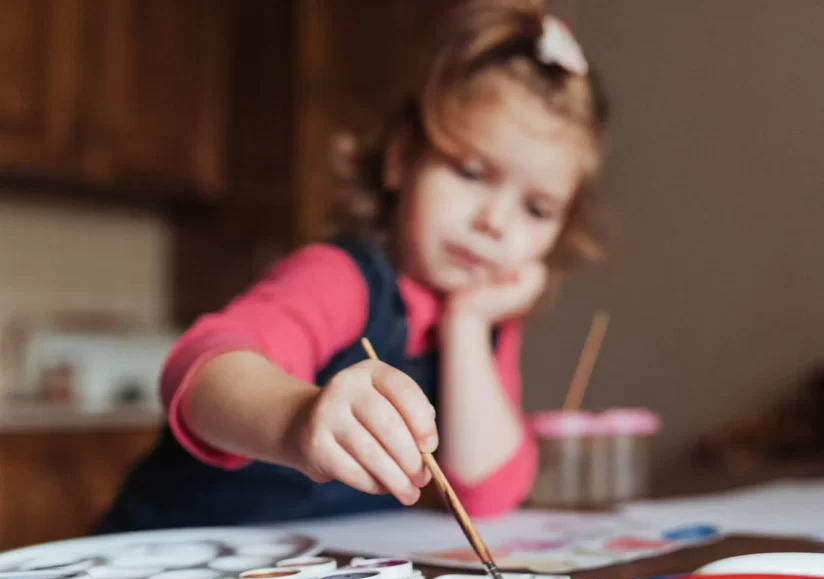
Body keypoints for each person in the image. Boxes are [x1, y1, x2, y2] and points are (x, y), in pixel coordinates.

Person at [96, 0, 610, 533]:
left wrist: (467, 326)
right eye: (472, 172)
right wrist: (298, 419)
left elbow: (483, 492)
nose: (496, 223)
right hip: (165, 567)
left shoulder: (484, 320)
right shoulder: (342, 278)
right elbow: (199, 371)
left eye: (536, 208)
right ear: (400, 157)